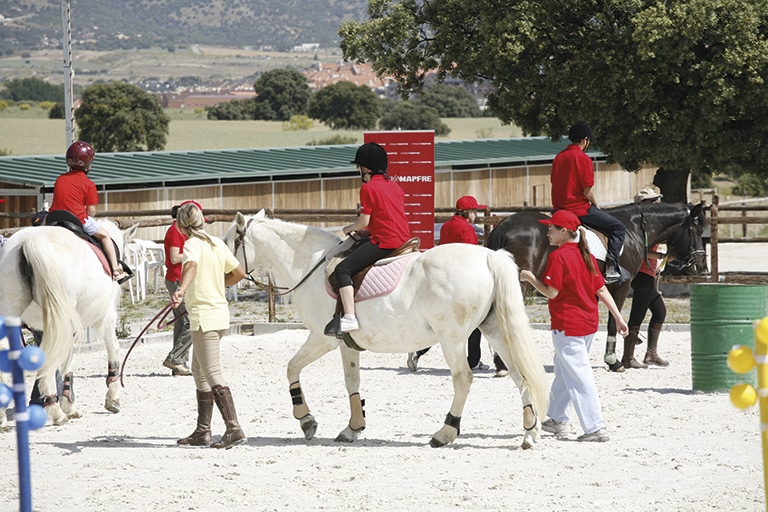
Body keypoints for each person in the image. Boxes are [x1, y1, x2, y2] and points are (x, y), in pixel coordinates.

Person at [520, 209, 628, 442]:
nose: (547, 231)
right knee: (564, 369)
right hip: (588, 323)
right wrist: (618, 317)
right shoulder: (585, 254)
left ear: (564, 231)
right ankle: (558, 418)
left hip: (568, 324)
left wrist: (530, 278)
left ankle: (595, 427)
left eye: (552, 228)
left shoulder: (558, 257)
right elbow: (600, 289)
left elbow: (551, 292)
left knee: (578, 376)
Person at [171, 201, 248, 449]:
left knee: (212, 371)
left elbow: (191, 265)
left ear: (182, 225)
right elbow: (239, 273)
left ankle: (233, 429)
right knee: (198, 369)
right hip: (219, 314)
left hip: (205, 316)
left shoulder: (192, 244)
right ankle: (203, 431)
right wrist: (218, 283)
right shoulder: (217, 243)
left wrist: (181, 289)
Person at [330, 142, 411, 333]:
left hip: (385, 242)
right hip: (404, 239)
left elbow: (364, 221)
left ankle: (349, 317)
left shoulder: (368, 189)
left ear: (366, 168)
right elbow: (385, 217)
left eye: (359, 168)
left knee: (342, 269)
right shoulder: (395, 186)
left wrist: (348, 228)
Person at [407, 195, 490, 372]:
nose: (476, 215)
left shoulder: (447, 226)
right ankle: (473, 360)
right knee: (474, 323)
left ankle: (419, 351)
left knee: (442, 324)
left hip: (445, 278)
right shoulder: (467, 230)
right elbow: (471, 258)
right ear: (468, 213)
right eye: (475, 211)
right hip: (462, 281)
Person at [550, 121, 626, 284]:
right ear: (585, 140)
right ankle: (611, 267)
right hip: (578, 209)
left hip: (558, 210)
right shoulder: (583, 159)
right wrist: (596, 204)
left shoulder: (559, 157)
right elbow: (586, 191)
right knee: (618, 227)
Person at [49, 141, 125, 280]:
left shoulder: (60, 179)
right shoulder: (89, 184)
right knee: (105, 236)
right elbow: (91, 212)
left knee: (39, 230)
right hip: (77, 219)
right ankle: (115, 269)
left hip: (54, 217)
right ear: (88, 163)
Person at [622, 188, 669, 369]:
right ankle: (628, 357)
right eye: (653, 200)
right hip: (641, 272)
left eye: (657, 199)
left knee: (659, 312)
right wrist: (657, 256)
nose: (657, 203)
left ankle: (651, 353)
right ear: (642, 204)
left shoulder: (651, 223)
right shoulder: (639, 225)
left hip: (648, 272)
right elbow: (637, 250)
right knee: (637, 315)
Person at [162, 204, 193, 376]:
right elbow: (174, 257)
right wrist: (195, 254)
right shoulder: (174, 231)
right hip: (176, 279)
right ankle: (175, 358)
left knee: (181, 322)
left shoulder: (179, 230)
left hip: (178, 278)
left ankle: (179, 364)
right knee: (191, 321)